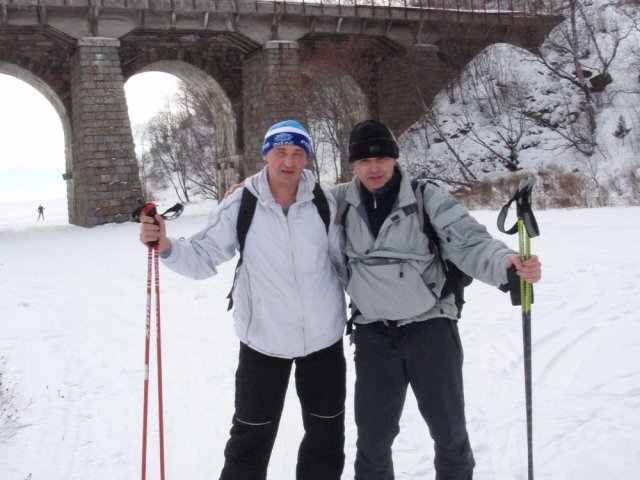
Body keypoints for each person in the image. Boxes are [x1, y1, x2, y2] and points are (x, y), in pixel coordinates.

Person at [331, 119, 542, 480]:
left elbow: (470, 241)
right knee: (372, 440)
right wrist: (247, 192)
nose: (374, 167)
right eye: (364, 161)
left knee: (449, 434)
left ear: (394, 159)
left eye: (382, 157)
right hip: (373, 335)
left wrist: (506, 263)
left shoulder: (426, 197)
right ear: (353, 165)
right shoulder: (339, 202)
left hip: (431, 331)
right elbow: (290, 200)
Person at [138, 120, 348, 480]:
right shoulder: (242, 202)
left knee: (326, 439)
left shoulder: (323, 202)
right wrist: (166, 246)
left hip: (323, 340)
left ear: (307, 159)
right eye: (280, 152)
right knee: (250, 440)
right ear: (266, 153)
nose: (289, 161)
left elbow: (343, 262)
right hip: (263, 341)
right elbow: (204, 256)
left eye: (298, 153)